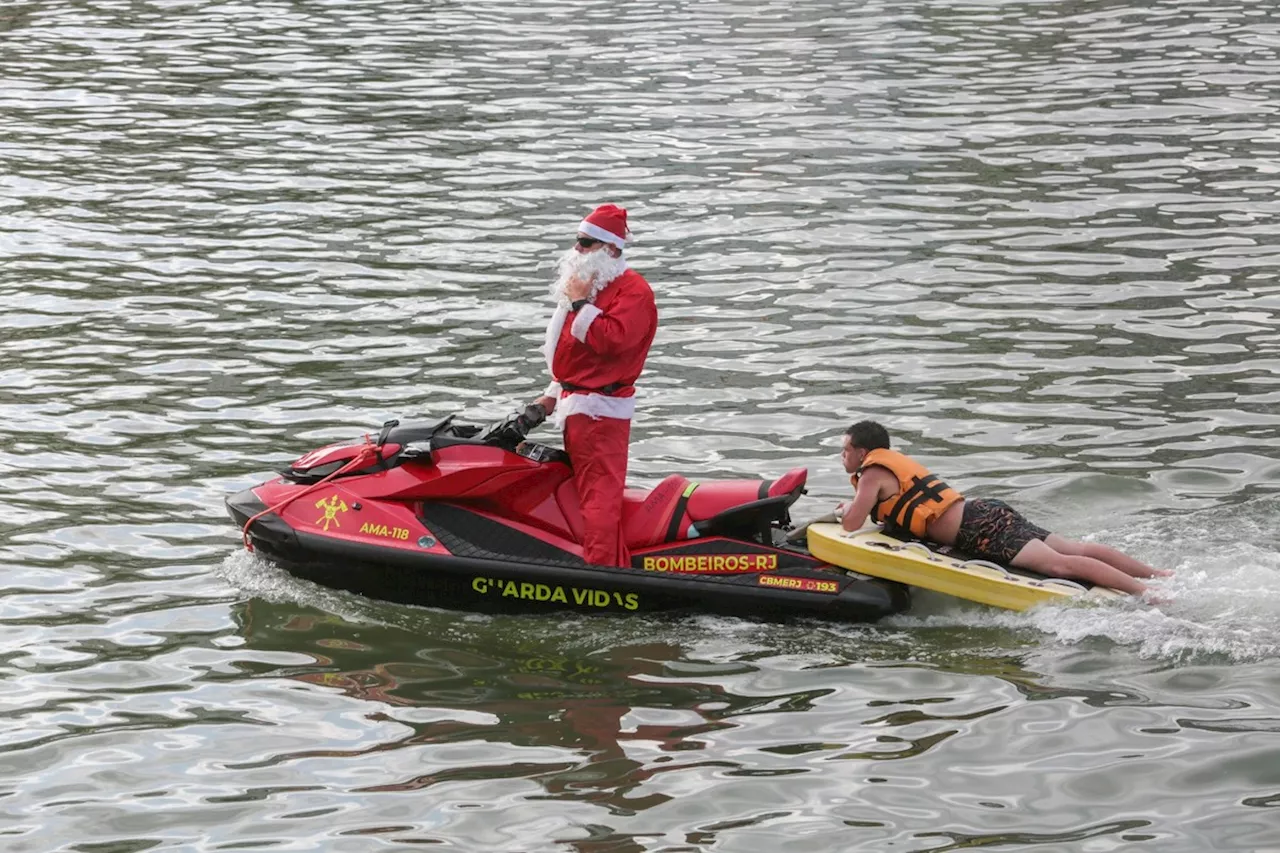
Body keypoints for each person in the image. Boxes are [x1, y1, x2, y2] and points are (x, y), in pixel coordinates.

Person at [836, 420, 1171, 596]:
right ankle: (1157, 575)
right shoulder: (888, 465)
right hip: (984, 512)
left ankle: (1146, 592)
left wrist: (844, 510)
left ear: (863, 452)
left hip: (979, 529)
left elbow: (852, 524)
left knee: (1061, 565)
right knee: (1073, 548)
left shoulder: (872, 473)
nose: (843, 458)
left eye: (845, 451)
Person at [531, 204, 658, 567]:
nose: (577, 251)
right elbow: (576, 360)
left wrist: (579, 302)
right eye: (578, 242)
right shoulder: (597, 287)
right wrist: (551, 396)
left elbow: (611, 342)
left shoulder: (633, 291)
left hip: (600, 414)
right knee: (590, 495)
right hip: (580, 407)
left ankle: (602, 573)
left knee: (599, 499)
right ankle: (601, 563)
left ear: (611, 250)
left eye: (586, 243)